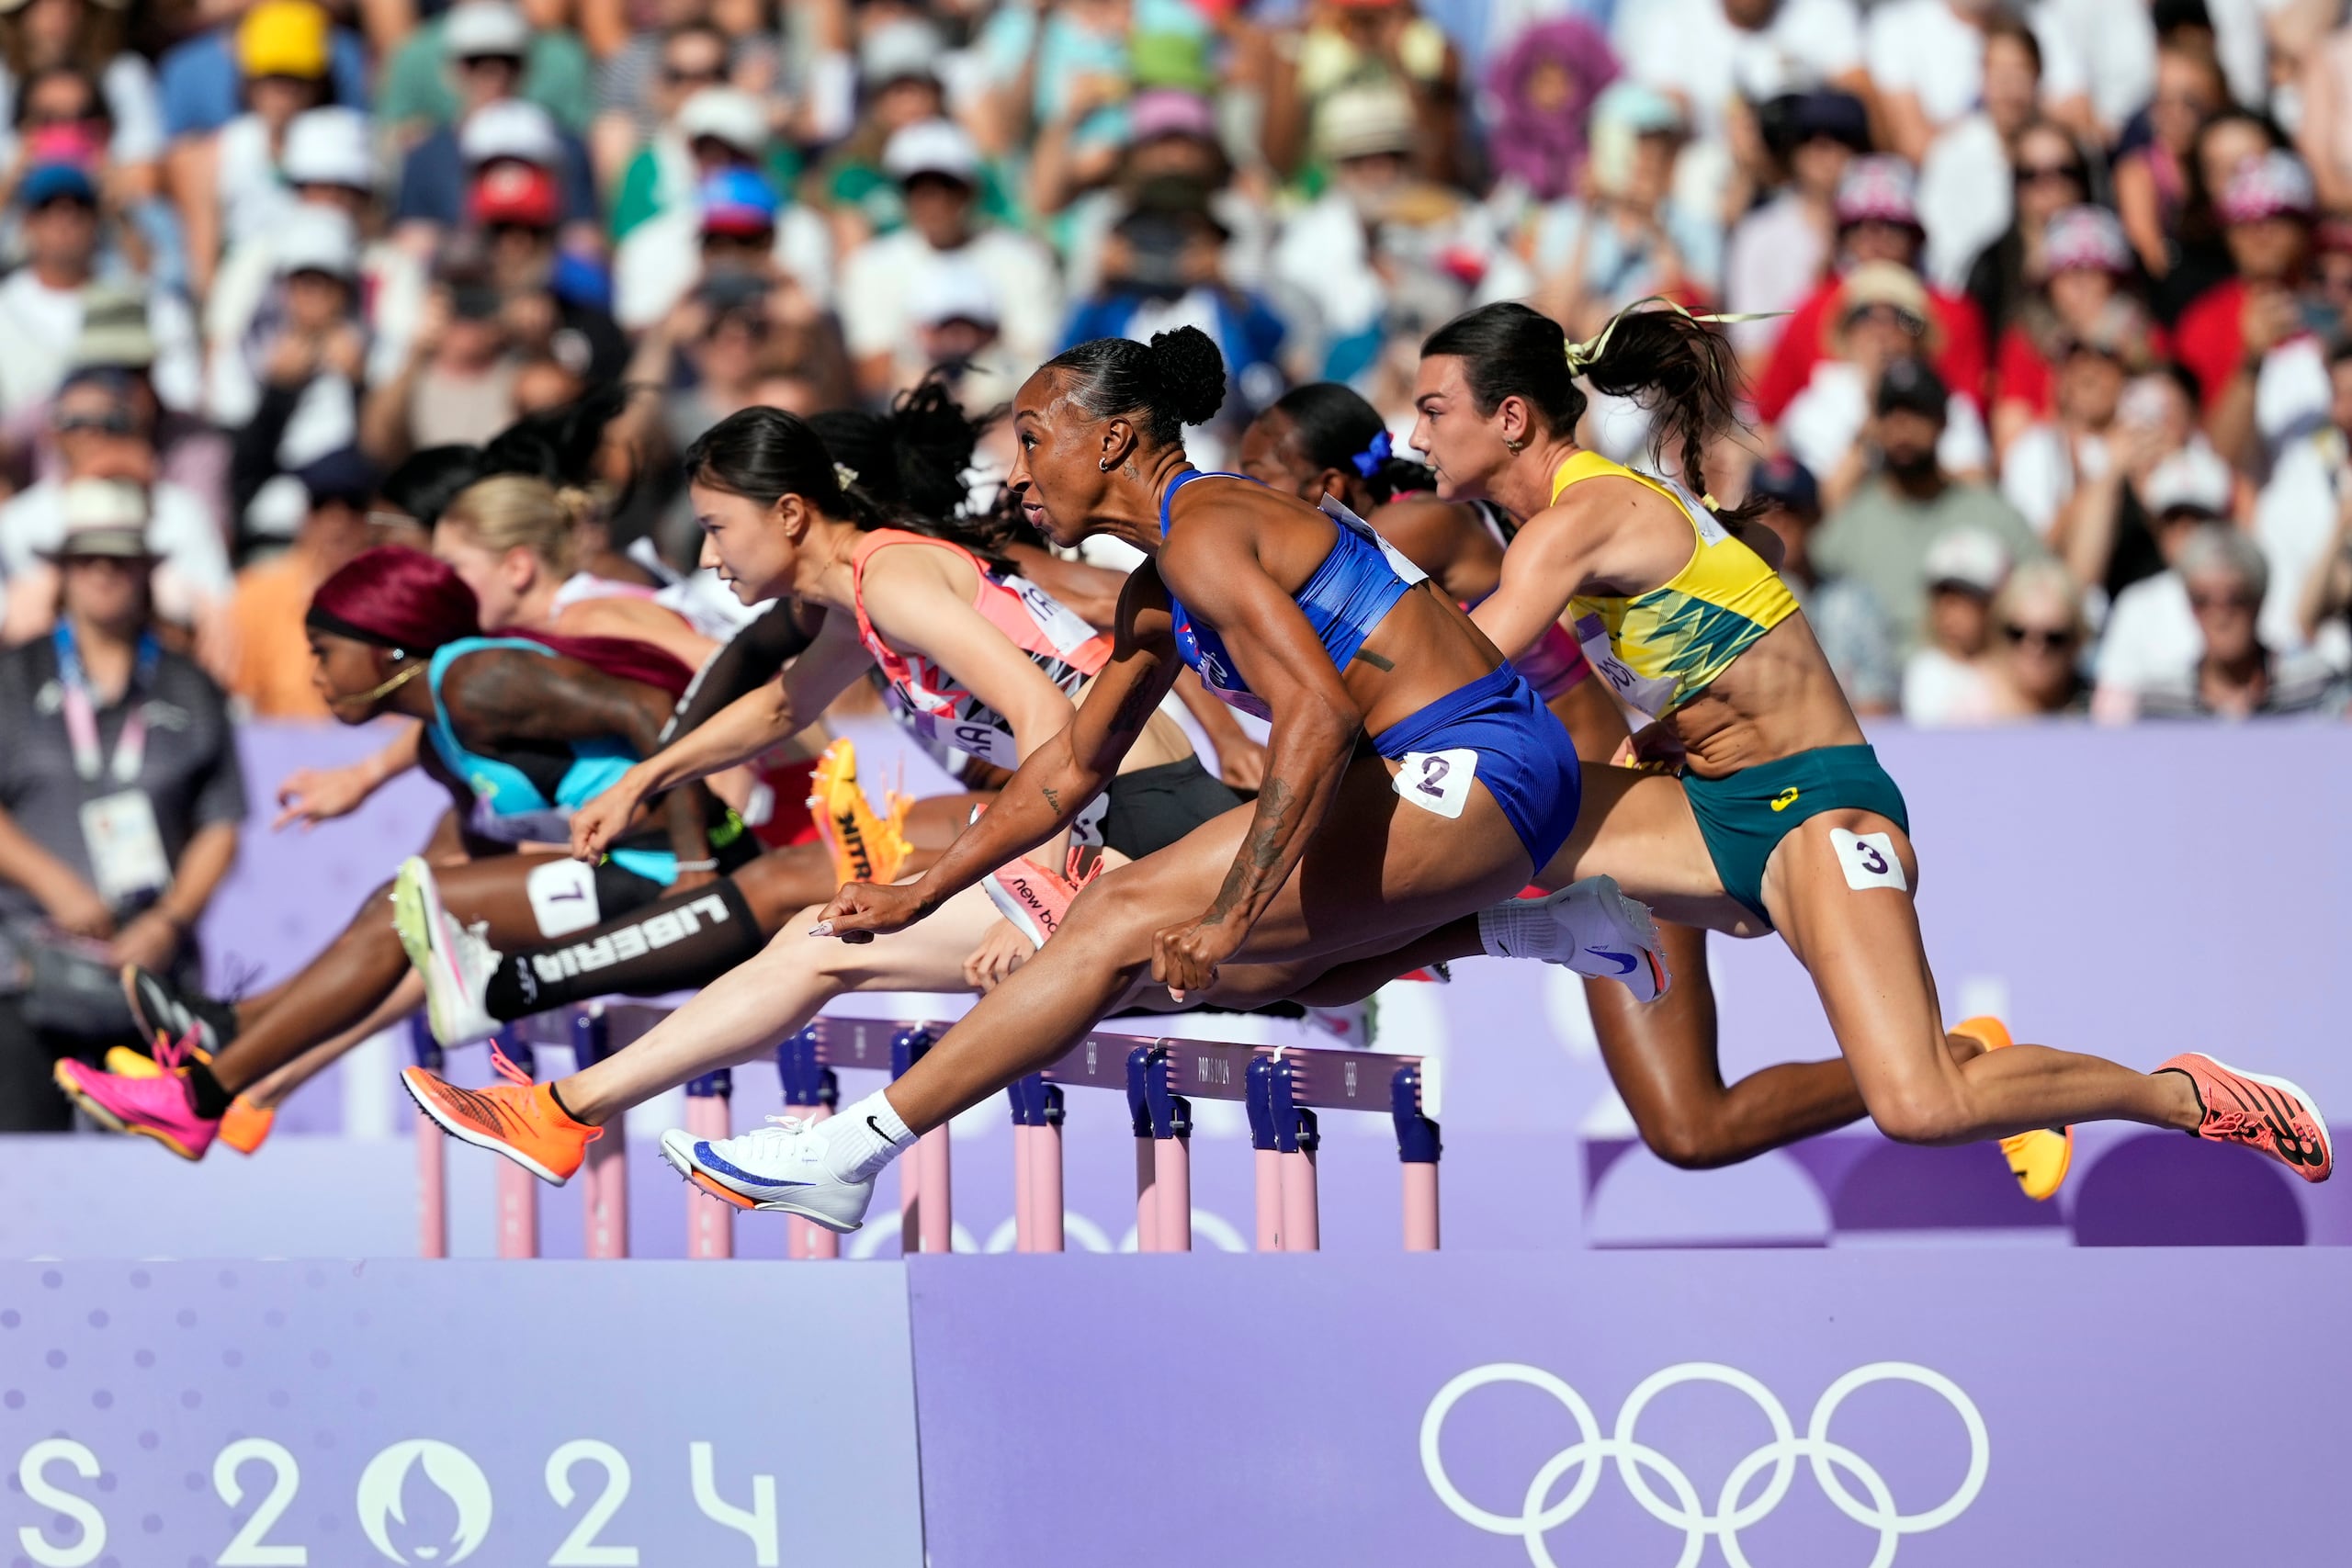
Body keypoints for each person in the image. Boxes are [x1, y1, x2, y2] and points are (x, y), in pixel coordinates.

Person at [642, 328, 1667, 1226]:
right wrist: (923, 892)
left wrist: (1230, 906)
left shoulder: (1208, 532)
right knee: (1267, 978)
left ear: (1117, 439)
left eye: (1036, 439)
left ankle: (847, 1151)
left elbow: (1315, 714)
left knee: (1120, 915)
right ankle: (1556, 926)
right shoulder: (1154, 581)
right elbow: (1073, 765)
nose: (1019, 474)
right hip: (1487, 775)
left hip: (1480, 765)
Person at [1379, 298, 2327, 1191]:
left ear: (1509, 418)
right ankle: (1322, 958)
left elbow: (1463, 671)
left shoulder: (1578, 520)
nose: (1414, 435)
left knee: (1918, 1107)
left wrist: (1298, 704)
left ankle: (2180, 1094)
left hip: (1815, 810)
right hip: (1710, 810)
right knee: (1491, 819)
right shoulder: (1559, 527)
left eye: (1431, 409)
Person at [395, 385, 1304, 1180]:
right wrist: (650, 778)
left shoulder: (893, 577)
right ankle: (562, 1114)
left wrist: (1042, 904)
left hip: (1139, 819)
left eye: (717, 529)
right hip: (1110, 814)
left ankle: (563, 1115)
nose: (710, 558)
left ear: (789, 515)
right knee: (821, 939)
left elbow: (1044, 720)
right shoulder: (861, 588)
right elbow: (777, 708)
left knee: (823, 937)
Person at [1240, 383, 1883, 1172]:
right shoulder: (1415, 534)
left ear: (1327, 489)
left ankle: (1939, 1064)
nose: (1236, 499)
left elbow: (1242, 619)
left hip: (1599, 819)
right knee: (1321, 968)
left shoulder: (1420, 526)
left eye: (1254, 474)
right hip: (1513, 815)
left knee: (1690, 1127)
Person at [49, 545, 736, 1158]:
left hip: (686, 878)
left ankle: (204, 1090)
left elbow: (649, 709)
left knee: (405, 908)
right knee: (406, 902)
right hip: (626, 880)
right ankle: (234, 1032)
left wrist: (694, 869)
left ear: (388, 648)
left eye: (323, 650)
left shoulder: (476, 680)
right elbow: (451, 875)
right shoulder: (441, 740)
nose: (315, 674)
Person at [0, 482, 242, 1132]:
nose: (104, 573)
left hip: (151, 968)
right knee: (22, 1169)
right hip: (24, 964)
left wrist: (168, 919)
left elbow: (220, 823)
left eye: (121, 558)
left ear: (148, 568)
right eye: (87, 558)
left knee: (157, 1170)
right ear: (62, 570)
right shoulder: (12, 677)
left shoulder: (190, 684)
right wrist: (55, 885)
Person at [1808, 355, 2044, 653]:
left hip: (1968, 680)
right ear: (1875, 425)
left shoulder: (1988, 510)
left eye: (1916, 410)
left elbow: (2045, 586)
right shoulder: (1852, 519)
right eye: (1890, 412)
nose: (1902, 425)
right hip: (1873, 689)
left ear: (1943, 420)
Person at [2126, 525, 2344, 718]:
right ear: (2190, 607)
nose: (2220, 615)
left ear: (2259, 601)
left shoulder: (2312, 685)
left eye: (2234, 599)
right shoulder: (2162, 701)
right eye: (2203, 600)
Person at [1898, 525, 2008, 724]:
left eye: (1968, 598)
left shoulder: (2013, 670)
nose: (1951, 612)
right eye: (1943, 597)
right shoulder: (1926, 671)